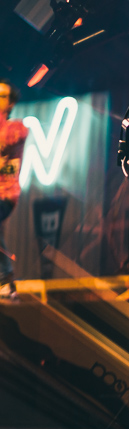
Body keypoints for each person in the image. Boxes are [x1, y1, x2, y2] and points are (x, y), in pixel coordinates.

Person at [0, 80, 28, 299]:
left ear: (10, 104)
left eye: (1, 96)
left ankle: (6, 278)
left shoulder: (16, 128)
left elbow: (4, 142)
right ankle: (6, 283)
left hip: (5, 195)